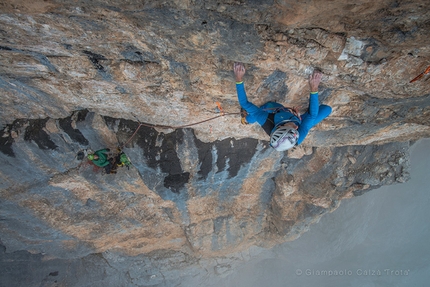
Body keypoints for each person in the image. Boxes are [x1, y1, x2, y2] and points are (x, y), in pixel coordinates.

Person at [234, 62, 332, 151]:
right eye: (295, 129)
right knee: (327, 110)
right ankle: (296, 116)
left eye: (293, 127)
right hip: (298, 119)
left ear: (280, 126)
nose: (297, 126)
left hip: (278, 114)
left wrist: (239, 78)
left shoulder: (267, 121)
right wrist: (314, 88)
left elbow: (244, 103)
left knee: (268, 106)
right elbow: (312, 115)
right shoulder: (298, 135)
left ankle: (247, 120)